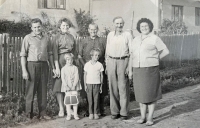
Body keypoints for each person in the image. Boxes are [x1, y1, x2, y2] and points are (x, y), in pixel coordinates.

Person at [128, 18, 169, 126]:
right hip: (138, 70)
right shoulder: (135, 39)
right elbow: (132, 55)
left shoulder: (154, 38)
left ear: (150, 27)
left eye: (146, 26)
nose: (144, 28)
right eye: (142, 26)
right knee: (141, 95)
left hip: (150, 70)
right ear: (139, 28)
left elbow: (165, 51)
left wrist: (155, 58)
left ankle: (150, 117)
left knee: (150, 95)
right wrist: (130, 70)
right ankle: (142, 117)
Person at [20, 18, 54, 119]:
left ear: (41, 26)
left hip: (44, 65)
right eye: (34, 27)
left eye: (38, 26)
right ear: (31, 28)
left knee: (43, 90)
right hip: (31, 65)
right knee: (31, 90)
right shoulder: (27, 38)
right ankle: (28, 115)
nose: (37, 29)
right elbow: (23, 55)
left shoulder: (46, 38)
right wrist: (24, 70)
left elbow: (50, 54)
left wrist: (52, 67)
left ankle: (42, 113)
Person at [105, 16, 133, 120]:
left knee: (123, 88)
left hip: (123, 61)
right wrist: (107, 64)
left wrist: (129, 67)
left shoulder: (127, 35)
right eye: (117, 23)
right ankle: (114, 112)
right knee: (113, 88)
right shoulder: (110, 35)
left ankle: (124, 113)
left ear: (123, 24)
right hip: (111, 61)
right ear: (114, 24)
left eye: (121, 23)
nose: (119, 25)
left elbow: (131, 52)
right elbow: (107, 51)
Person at [78, 23, 108, 116]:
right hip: (87, 69)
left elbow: (106, 54)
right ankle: (89, 110)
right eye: (91, 29)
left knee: (100, 89)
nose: (93, 31)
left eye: (95, 29)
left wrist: (102, 66)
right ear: (88, 30)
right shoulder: (83, 41)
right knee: (88, 90)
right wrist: (85, 66)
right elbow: (79, 55)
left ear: (97, 29)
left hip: (99, 68)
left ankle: (100, 110)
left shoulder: (103, 40)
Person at [52, 18, 77, 117]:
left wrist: (72, 59)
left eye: (67, 25)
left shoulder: (72, 37)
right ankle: (61, 109)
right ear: (60, 27)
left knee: (70, 84)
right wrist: (57, 67)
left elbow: (75, 51)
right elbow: (54, 53)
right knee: (59, 85)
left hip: (70, 60)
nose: (65, 27)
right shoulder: (56, 37)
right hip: (60, 60)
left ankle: (69, 108)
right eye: (63, 26)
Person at [84, 48, 104, 120]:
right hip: (89, 84)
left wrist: (101, 85)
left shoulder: (100, 65)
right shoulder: (87, 64)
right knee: (90, 99)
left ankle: (96, 113)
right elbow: (85, 75)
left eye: (98, 56)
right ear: (91, 56)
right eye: (95, 55)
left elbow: (101, 76)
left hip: (97, 84)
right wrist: (85, 85)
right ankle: (91, 113)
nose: (97, 57)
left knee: (96, 99)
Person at [61, 53, 81, 120]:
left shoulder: (75, 68)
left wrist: (74, 85)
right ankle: (68, 115)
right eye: (68, 60)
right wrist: (66, 86)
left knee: (75, 100)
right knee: (68, 101)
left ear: (73, 60)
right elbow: (63, 78)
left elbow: (76, 77)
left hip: (74, 86)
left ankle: (75, 114)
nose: (70, 61)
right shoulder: (63, 69)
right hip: (67, 86)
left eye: (71, 60)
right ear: (65, 60)